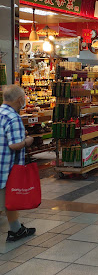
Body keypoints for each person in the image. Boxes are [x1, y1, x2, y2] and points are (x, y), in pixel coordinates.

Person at [0, 85, 36, 242]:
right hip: (7, 167)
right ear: (20, 99)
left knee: (9, 201)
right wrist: (27, 141)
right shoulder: (13, 118)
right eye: (24, 98)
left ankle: (16, 229)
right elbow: (14, 145)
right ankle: (16, 230)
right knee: (7, 200)